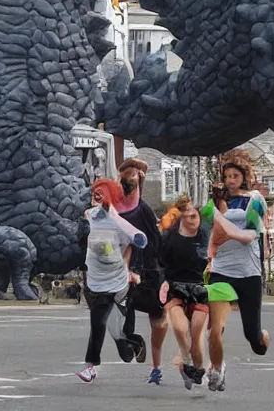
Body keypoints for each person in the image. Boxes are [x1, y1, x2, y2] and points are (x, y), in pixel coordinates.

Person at [198, 150, 269, 392]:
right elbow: (208, 226)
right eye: (227, 176)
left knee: (254, 340)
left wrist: (223, 223)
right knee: (215, 328)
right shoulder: (214, 203)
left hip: (248, 271)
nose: (230, 180)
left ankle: (262, 337)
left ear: (243, 177)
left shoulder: (255, 199)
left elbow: (250, 232)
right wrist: (216, 202)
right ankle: (217, 369)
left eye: (235, 176)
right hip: (222, 270)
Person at [77, 179, 147, 384]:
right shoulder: (89, 216)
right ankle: (90, 367)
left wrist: (114, 214)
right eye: (94, 194)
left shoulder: (120, 221)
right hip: (96, 281)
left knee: (118, 334)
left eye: (101, 193)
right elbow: (82, 240)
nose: (95, 198)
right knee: (98, 323)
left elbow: (140, 240)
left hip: (118, 282)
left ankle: (135, 343)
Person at [114, 159, 167, 384]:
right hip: (124, 263)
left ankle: (155, 361)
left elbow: (155, 238)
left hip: (147, 266)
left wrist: (159, 264)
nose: (132, 177)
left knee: (157, 316)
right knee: (124, 307)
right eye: (130, 174)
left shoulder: (142, 207)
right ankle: (133, 342)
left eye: (137, 175)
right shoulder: (116, 204)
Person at [158, 196, 211, 391]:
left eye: (195, 216)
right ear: (181, 218)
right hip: (176, 288)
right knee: (180, 329)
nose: (193, 220)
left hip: (199, 288)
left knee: (196, 334)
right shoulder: (170, 238)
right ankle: (186, 362)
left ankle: (198, 369)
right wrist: (162, 283)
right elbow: (161, 262)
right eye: (189, 216)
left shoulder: (204, 236)